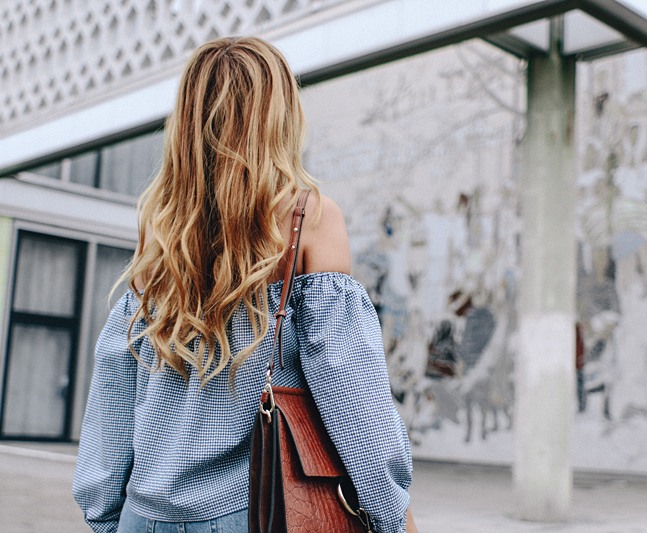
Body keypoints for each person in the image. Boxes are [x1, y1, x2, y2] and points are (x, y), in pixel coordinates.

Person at [72, 37, 417, 533]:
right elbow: (350, 392)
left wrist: (104, 515)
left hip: (142, 515)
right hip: (255, 511)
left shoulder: (163, 230)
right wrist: (391, 512)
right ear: (280, 114)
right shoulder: (308, 218)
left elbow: (114, 389)